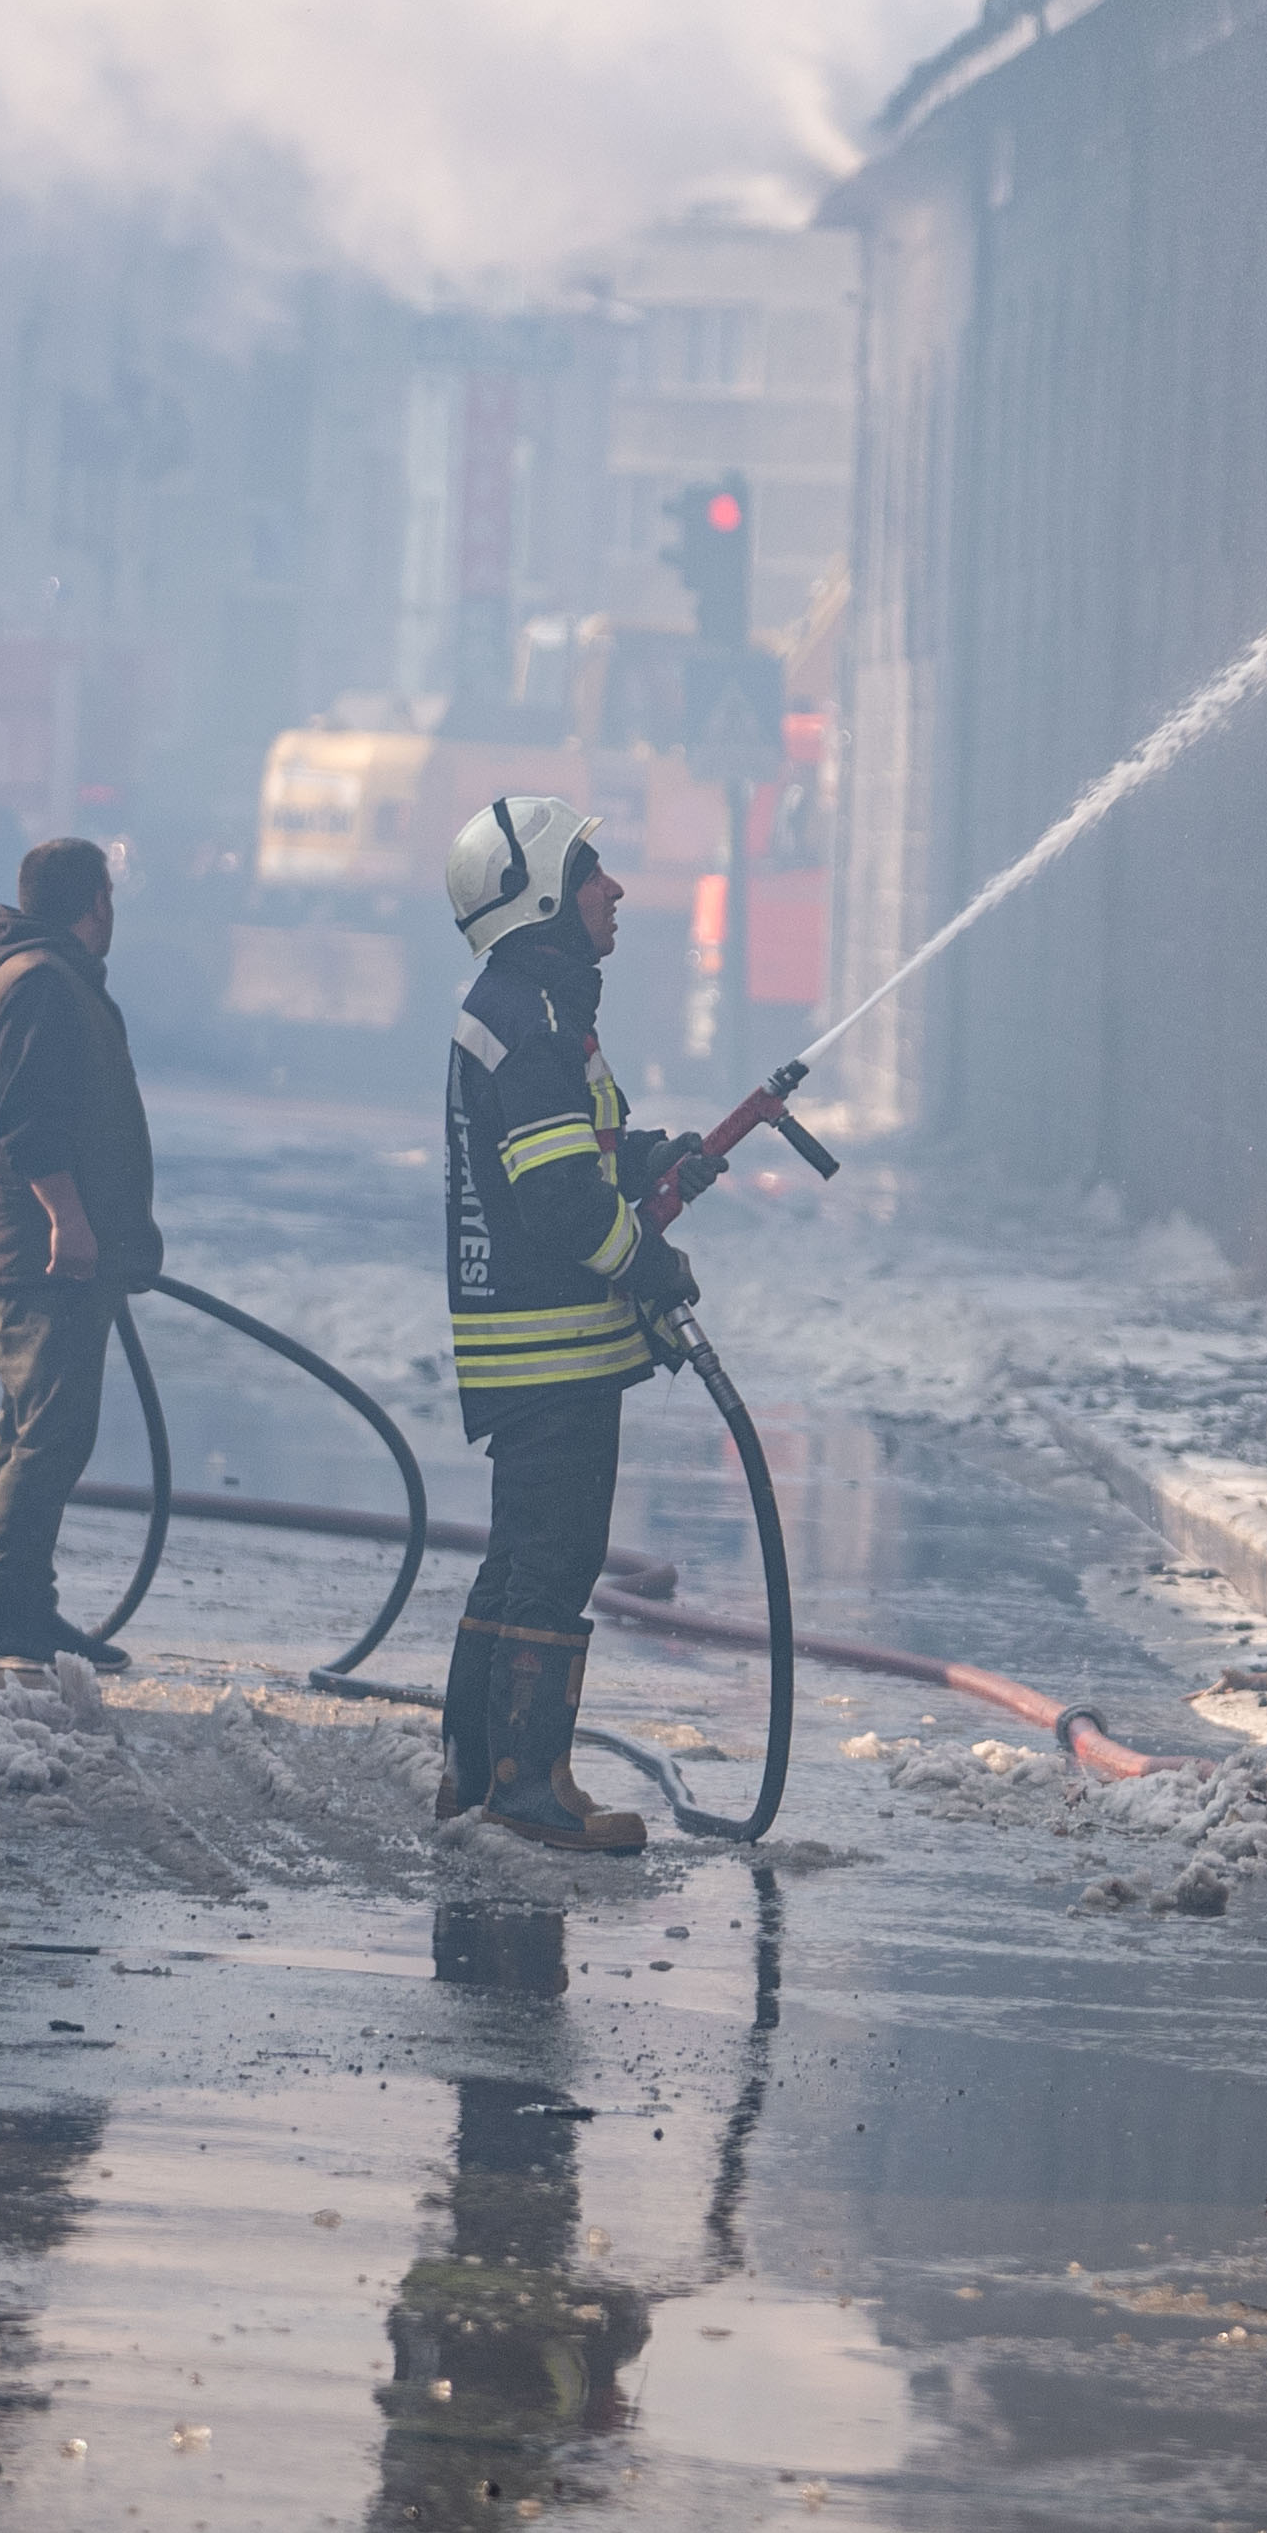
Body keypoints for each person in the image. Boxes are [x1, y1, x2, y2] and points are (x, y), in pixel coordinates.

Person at [435, 795, 705, 1855]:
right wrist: (648, 1261)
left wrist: (652, 1159)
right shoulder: (532, 1021)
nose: (616, 888)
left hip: (532, 1346)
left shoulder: (523, 1009)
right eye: (595, 870)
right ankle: (527, 1786)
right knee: (552, 1564)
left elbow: (571, 1158)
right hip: (553, 1346)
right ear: (544, 894)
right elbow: (556, 1201)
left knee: (518, 1562)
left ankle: (475, 1771)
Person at [0, 833, 158, 1668]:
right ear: (97, 904)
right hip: (47, 1259)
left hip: (53, 1256)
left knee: (33, 1433)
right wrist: (67, 1222)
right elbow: (32, 1124)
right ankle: (0, 1618)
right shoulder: (43, 984)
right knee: (50, 1436)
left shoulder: (37, 976)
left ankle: (16, 1608)